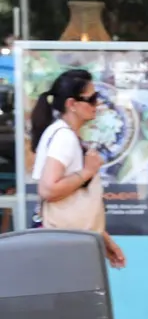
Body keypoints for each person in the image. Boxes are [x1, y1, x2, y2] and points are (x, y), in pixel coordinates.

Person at [29, 68, 125, 269]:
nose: (97, 104)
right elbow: (48, 189)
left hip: (69, 242)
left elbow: (76, 201)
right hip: (67, 247)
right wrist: (87, 172)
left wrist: (104, 238)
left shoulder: (61, 133)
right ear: (72, 104)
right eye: (91, 99)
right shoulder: (64, 137)